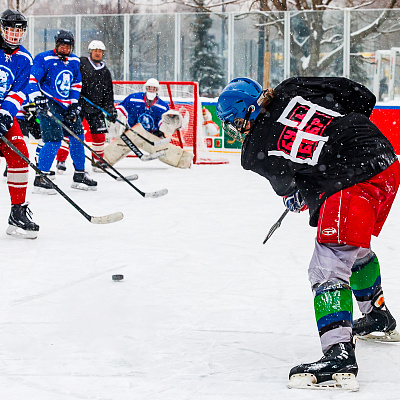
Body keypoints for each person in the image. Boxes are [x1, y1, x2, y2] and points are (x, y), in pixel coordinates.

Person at [216, 76, 400, 391]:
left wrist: (297, 194)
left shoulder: (254, 148)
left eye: (234, 121)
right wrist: (343, 138)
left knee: (328, 264)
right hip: (385, 160)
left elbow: (288, 189)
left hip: (351, 177)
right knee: (351, 247)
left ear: (246, 111)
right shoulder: (293, 87)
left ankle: (339, 354)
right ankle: (377, 316)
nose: (235, 128)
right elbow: (359, 95)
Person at [30, 29, 97, 193]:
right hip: (49, 103)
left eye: (68, 46)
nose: (65, 48)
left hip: (67, 105)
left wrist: (74, 104)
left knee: (78, 137)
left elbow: (76, 84)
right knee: (54, 140)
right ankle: (41, 178)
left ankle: (79, 174)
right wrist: (37, 98)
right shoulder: (44, 58)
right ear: (56, 44)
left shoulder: (74, 60)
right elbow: (32, 80)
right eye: (62, 45)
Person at [0, 9, 39, 239]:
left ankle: (17, 212)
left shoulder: (25, 58)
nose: (14, 34)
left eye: (19, 30)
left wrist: (5, 115)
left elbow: (18, 91)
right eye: (10, 29)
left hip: (4, 113)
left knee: (20, 153)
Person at [56, 39, 117, 173]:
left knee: (99, 136)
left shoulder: (105, 72)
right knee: (70, 132)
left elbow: (108, 93)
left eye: (100, 51)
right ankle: (61, 160)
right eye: (95, 51)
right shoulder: (81, 63)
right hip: (78, 105)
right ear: (90, 52)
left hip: (96, 108)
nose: (97, 53)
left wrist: (110, 109)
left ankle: (97, 162)